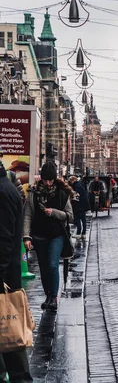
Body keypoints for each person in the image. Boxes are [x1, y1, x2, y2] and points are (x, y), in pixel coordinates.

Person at [23, 162, 74, 311]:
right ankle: (48, 296)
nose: (48, 183)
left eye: (50, 180)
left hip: (56, 235)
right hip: (39, 236)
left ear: (54, 179)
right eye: (45, 180)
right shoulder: (33, 194)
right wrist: (26, 236)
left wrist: (54, 212)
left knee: (52, 264)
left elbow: (70, 216)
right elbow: (27, 215)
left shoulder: (62, 194)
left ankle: (54, 297)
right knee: (44, 268)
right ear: (41, 178)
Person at [0, 160, 33, 382]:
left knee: (11, 338)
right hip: (7, 279)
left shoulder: (2, 193)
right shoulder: (6, 188)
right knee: (10, 340)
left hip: (4, 282)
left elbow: (3, 242)